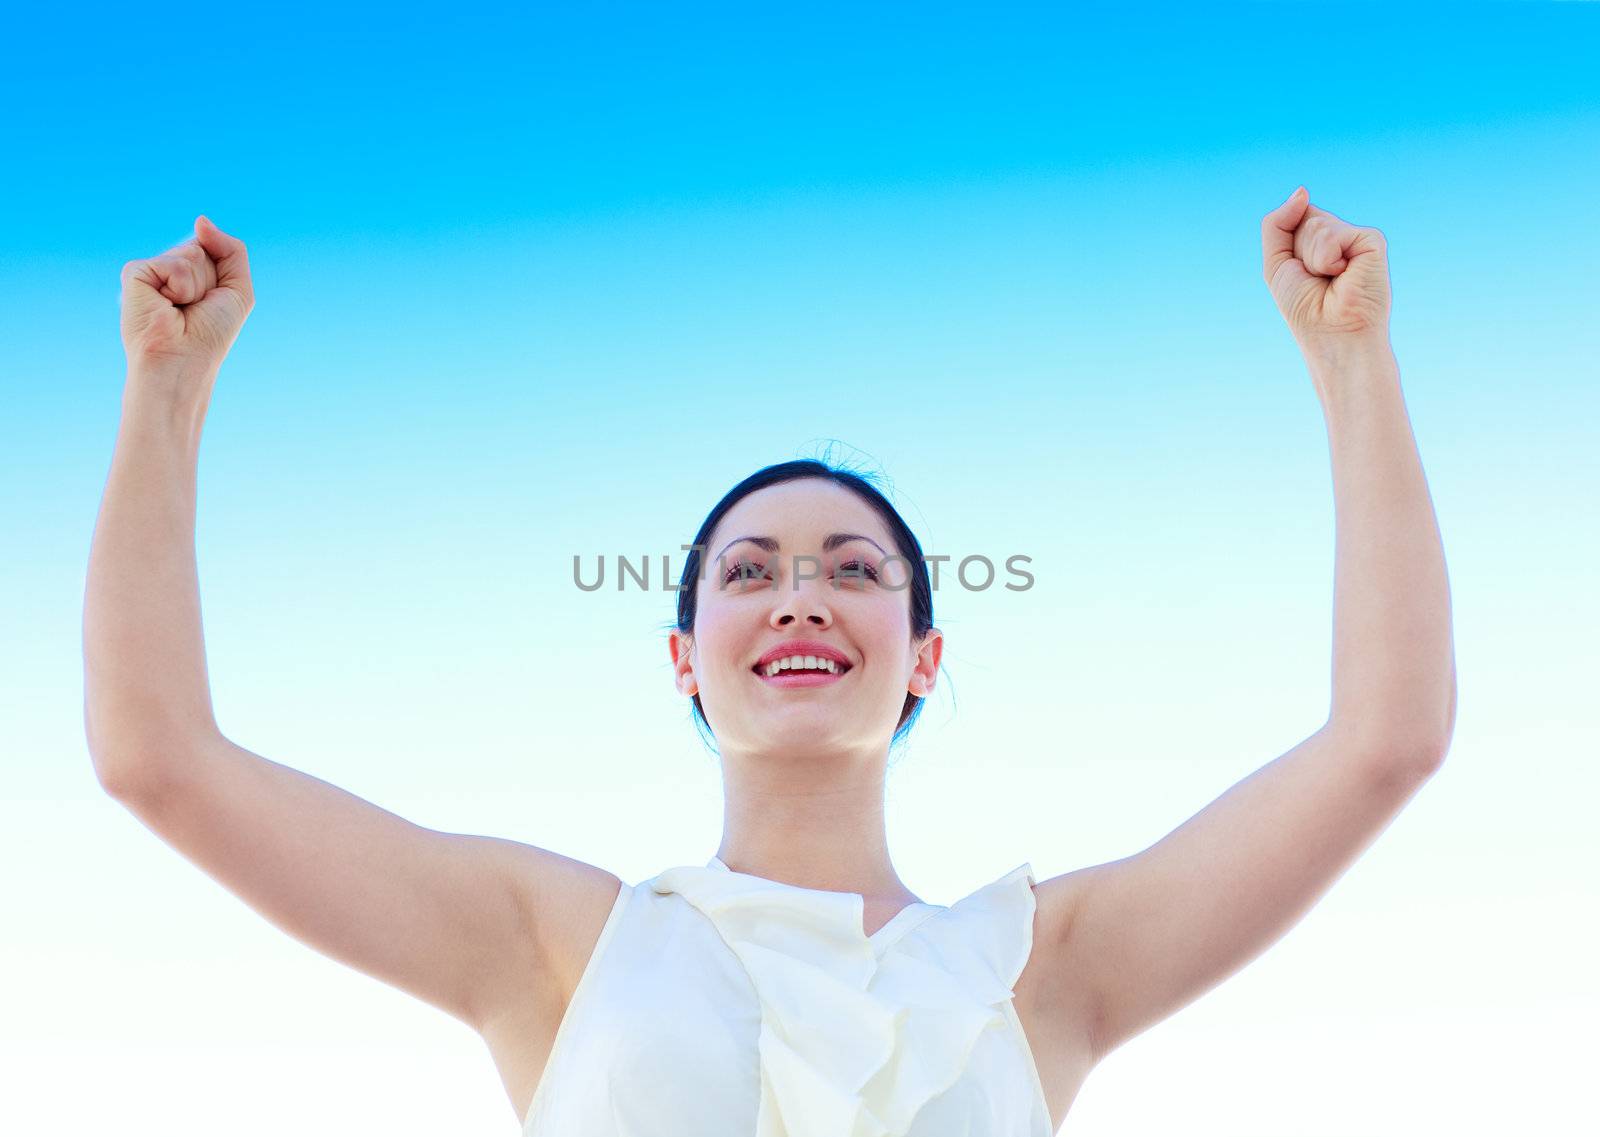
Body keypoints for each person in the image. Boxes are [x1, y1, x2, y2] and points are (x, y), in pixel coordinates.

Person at [84, 188, 1456, 1136]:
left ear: (924, 657)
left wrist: (1351, 363)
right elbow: (159, 759)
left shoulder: (1043, 968)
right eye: (751, 572)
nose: (802, 597)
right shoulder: (561, 944)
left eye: (854, 570)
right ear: (685, 658)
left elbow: (1385, 736)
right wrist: (167, 390)